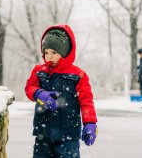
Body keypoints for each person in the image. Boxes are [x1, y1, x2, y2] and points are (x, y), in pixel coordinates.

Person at [25, 24, 98, 158]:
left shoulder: (78, 75)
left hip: (68, 136)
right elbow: (29, 87)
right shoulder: (39, 71)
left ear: (64, 52)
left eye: (54, 52)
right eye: (46, 52)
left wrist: (90, 123)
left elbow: (86, 101)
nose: (49, 57)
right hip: (43, 134)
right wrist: (38, 94)